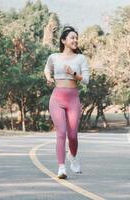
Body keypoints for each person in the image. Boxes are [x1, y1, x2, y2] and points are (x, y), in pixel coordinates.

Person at [44, 26, 90, 179]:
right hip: (57, 98)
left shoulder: (81, 58)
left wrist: (73, 74)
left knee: (73, 135)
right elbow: (47, 69)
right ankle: (61, 168)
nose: (75, 40)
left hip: (73, 99)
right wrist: (48, 77)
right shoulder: (54, 57)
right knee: (61, 133)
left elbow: (86, 81)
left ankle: (74, 157)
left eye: (76, 38)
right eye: (72, 37)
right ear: (64, 40)